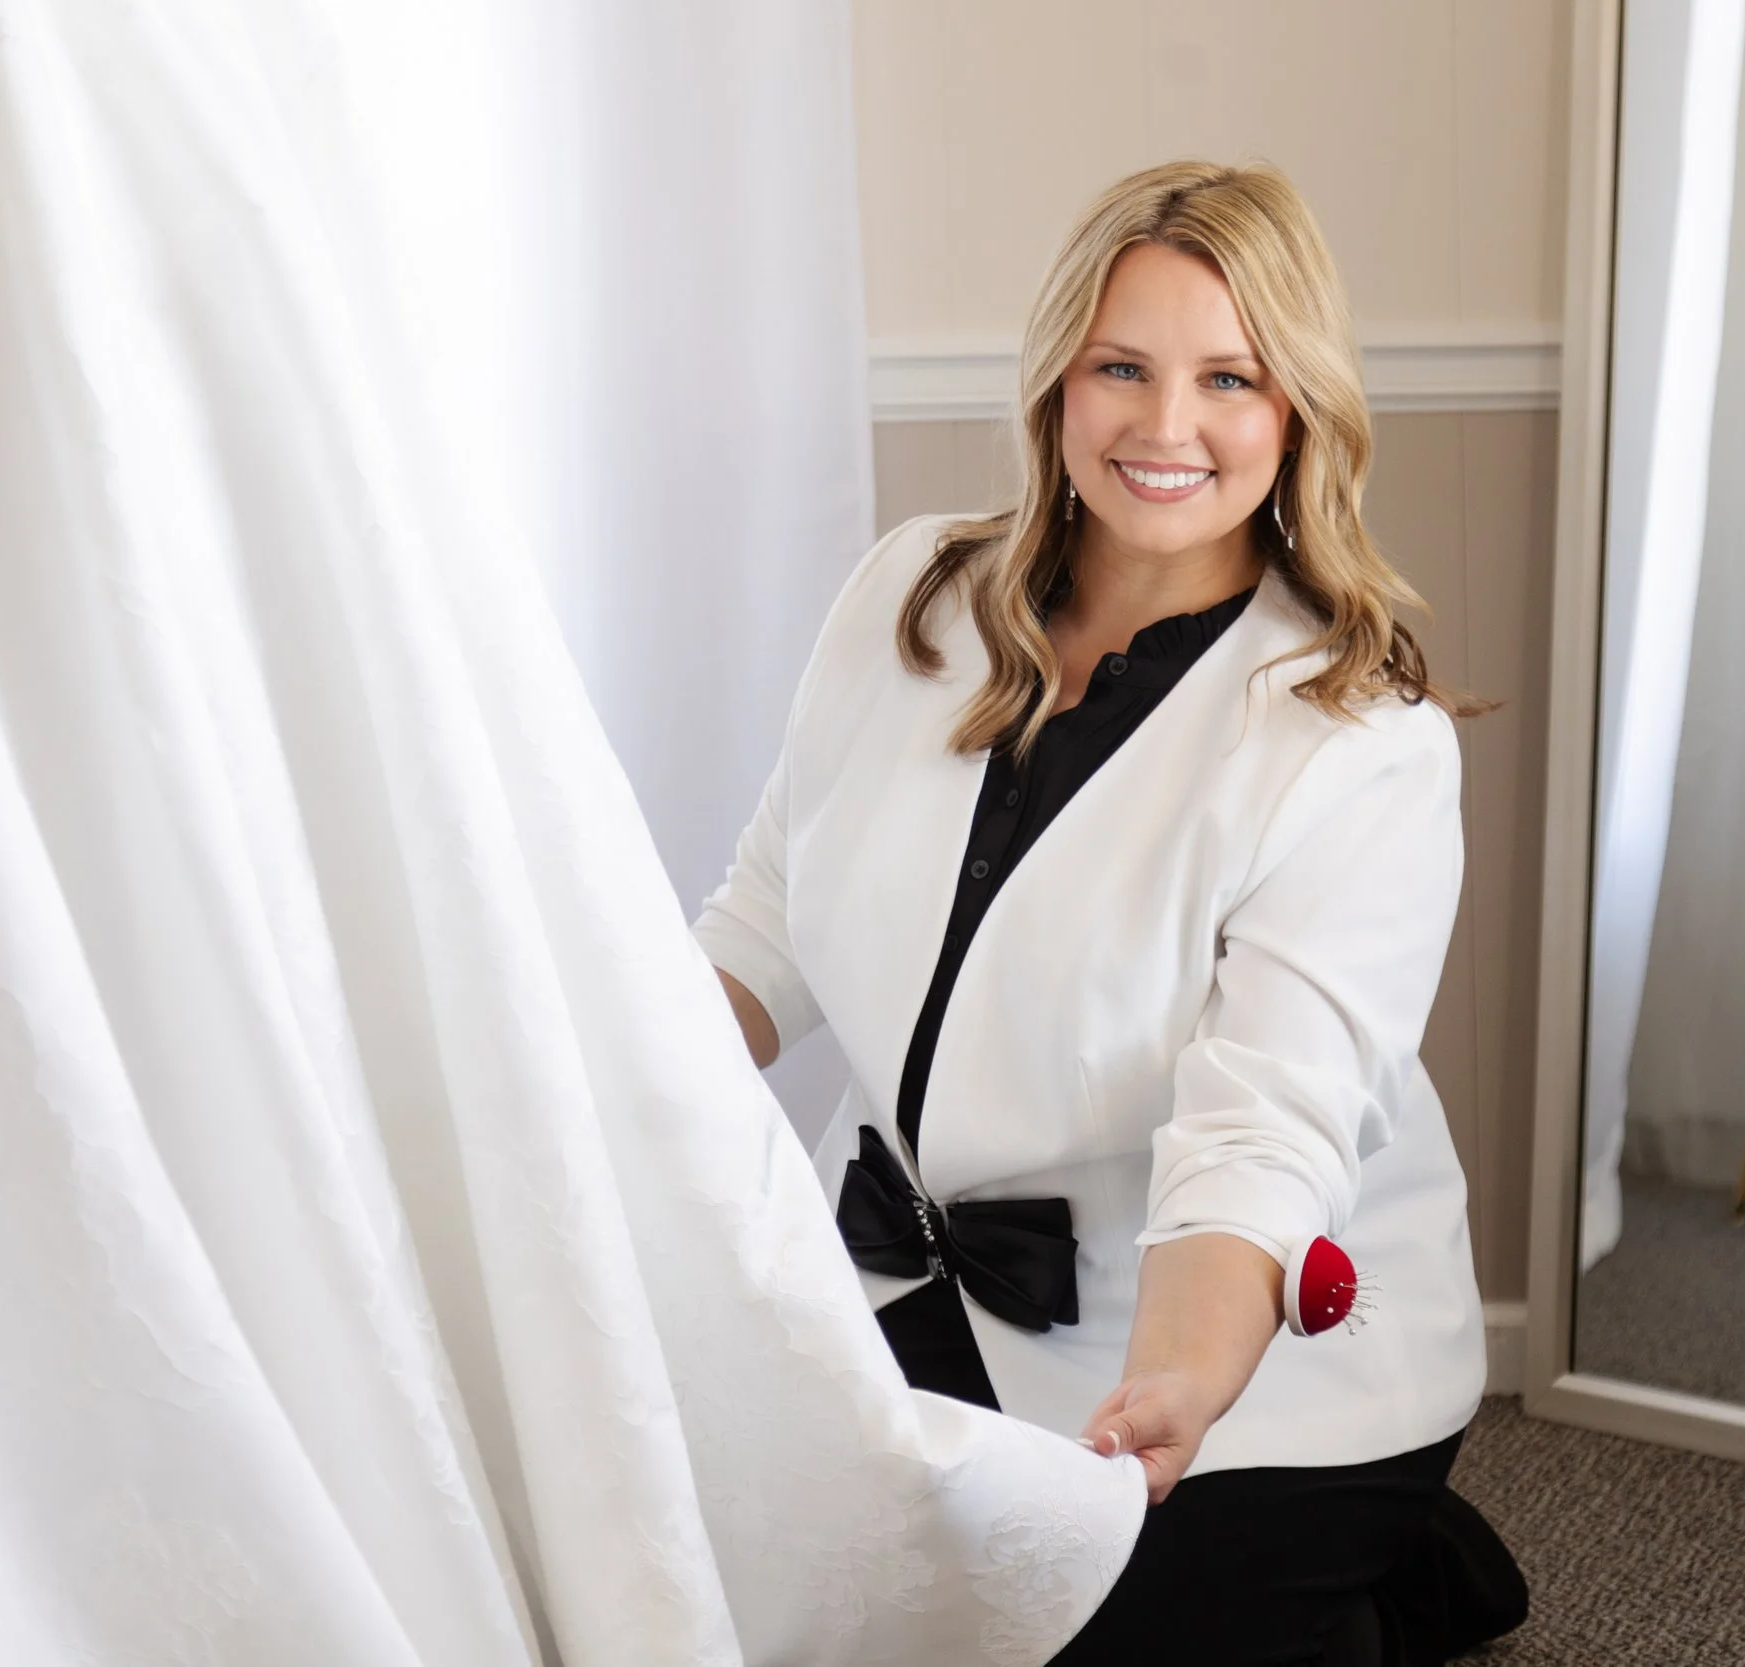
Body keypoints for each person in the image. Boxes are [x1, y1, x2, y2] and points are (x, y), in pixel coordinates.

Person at [695, 160, 1529, 1664]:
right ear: (1057, 382)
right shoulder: (913, 596)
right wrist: (563, 1079)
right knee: (757, 1594)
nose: (1165, 425)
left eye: (1229, 377)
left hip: (1231, 1352)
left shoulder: (1361, 736)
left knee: (1054, 1634)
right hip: (904, 1273)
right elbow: (763, 923)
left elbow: (1263, 1130)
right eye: (1122, 368)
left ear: (1298, 411)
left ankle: (1389, 1558)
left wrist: (1181, 1382)